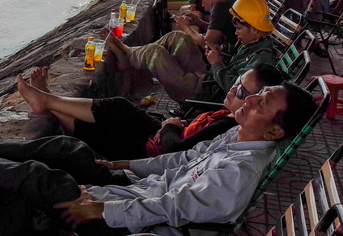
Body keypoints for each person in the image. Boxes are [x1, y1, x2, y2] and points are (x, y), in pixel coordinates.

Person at [0, 82, 316, 236]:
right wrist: (123, 166)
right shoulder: (235, 136)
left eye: (262, 102)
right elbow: (179, 161)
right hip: (138, 191)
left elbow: (172, 209)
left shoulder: (238, 173)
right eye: (260, 93)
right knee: (69, 150)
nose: (252, 98)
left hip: (147, 226)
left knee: (47, 179)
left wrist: (103, 208)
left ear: (276, 131)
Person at [18, 64, 283, 161]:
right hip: (163, 132)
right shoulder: (230, 116)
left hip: (154, 152)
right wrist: (173, 124)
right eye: (237, 83)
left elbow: (177, 151)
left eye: (243, 93)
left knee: (101, 131)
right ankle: (48, 98)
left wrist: (170, 127)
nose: (234, 91)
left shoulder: (230, 126)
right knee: (120, 107)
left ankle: (47, 100)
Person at [103, 0, 276, 102]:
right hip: (206, 77)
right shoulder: (254, 44)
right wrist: (218, 56)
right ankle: (128, 55)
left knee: (155, 53)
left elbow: (238, 90)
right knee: (178, 37)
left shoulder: (262, 58)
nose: (236, 33)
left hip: (204, 91)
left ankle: (126, 53)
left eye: (239, 29)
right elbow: (235, 66)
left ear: (254, 28)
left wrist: (216, 64)